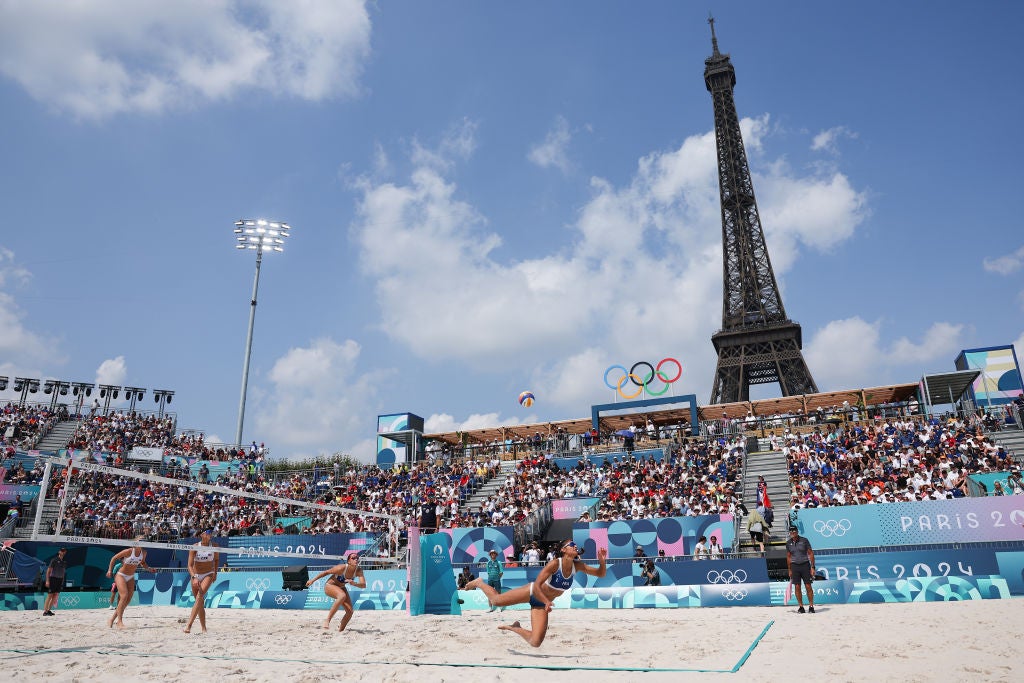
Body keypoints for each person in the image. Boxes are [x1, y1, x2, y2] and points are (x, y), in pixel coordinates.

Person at [467, 540, 608, 648]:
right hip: (533, 592)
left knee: (535, 642)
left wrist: (602, 562)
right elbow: (537, 585)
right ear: (564, 550)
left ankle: (516, 628)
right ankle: (479, 582)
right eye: (572, 544)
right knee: (496, 601)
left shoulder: (577, 566)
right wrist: (546, 602)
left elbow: (600, 574)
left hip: (542, 603)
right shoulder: (554, 564)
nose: (576, 546)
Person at [306, 553, 366, 631]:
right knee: (342, 596)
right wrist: (312, 580)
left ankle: (340, 631)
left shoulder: (359, 571)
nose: (356, 559)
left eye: (357, 558)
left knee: (350, 612)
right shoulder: (341, 568)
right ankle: (327, 620)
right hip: (329, 586)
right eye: (353, 558)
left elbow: (363, 585)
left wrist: (354, 583)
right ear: (348, 561)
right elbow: (326, 572)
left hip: (341, 587)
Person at [106, 539, 151, 628]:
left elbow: (143, 563)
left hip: (130, 576)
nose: (143, 543)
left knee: (127, 600)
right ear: (136, 543)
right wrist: (110, 570)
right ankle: (119, 622)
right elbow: (114, 558)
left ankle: (111, 619)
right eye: (141, 541)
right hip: (121, 575)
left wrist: (149, 569)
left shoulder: (144, 553)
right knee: (124, 596)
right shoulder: (129, 551)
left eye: (144, 542)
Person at [184, 530, 219, 633]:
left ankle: (188, 625)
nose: (210, 534)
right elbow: (189, 565)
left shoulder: (215, 546)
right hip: (195, 575)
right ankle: (204, 628)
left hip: (208, 574)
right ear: (202, 535)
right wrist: (194, 577)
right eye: (207, 533)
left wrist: (215, 573)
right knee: (199, 603)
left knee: (200, 596)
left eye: (211, 533)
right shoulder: (195, 546)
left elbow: (216, 560)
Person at [786, 526, 816, 614]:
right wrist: (789, 570)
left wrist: (813, 567)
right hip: (794, 566)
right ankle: (801, 607)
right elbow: (788, 557)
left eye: (794, 531)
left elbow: (810, 553)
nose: (792, 533)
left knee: (808, 586)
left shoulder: (804, 540)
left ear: (797, 532)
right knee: (797, 587)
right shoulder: (788, 543)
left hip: (805, 565)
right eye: (791, 531)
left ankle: (811, 606)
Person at [42, 547, 68, 616]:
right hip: (53, 579)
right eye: (61, 551)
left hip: (59, 580)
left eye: (64, 551)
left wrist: (62, 580)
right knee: (50, 595)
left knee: (55, 595)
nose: (62, 552)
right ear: (59, 552)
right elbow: (48, 571)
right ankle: (45, 611)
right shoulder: (54, 560)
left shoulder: (64, 562)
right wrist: (47, 581)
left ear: (65, 552)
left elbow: (63, 572)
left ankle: (49, 610)